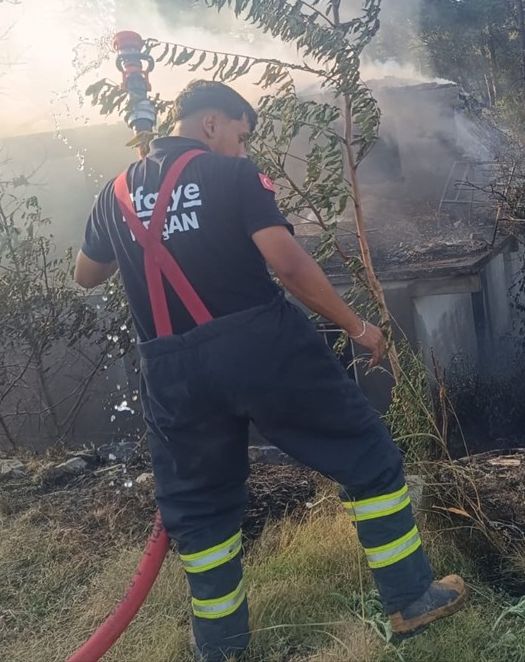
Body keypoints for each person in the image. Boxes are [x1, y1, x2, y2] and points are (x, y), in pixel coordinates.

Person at [74, 81, 466, 661]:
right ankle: (411, 598)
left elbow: (86, 275)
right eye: (241, 134)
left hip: (171, 371)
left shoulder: (113, 195)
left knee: (201, 512)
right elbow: (287, 262)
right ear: (212, 124)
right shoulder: (234, 177)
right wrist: (359, 329)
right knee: (366, 454)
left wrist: (142, 224)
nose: (241, 146)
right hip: (260, 347)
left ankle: (222, 649)